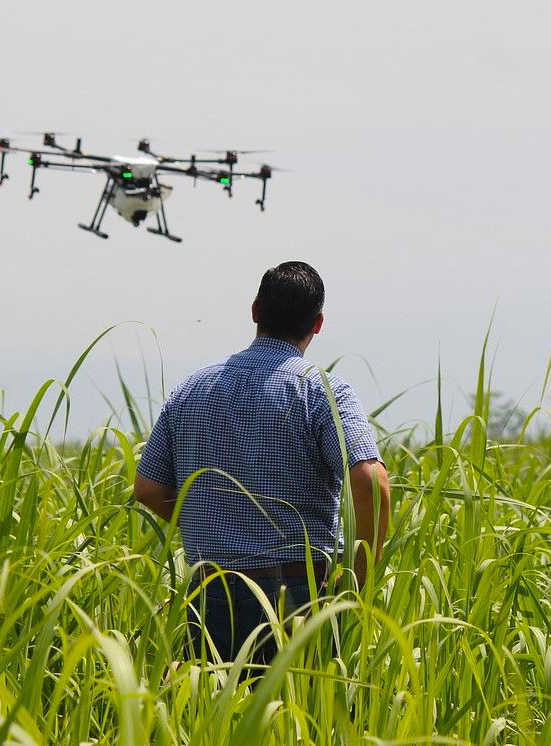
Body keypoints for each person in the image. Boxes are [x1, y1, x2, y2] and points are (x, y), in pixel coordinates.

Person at [133, 261, 391, 665]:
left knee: (211, 720)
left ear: (255, 311)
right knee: (297, 721)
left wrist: (212, 521)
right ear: (318, 323)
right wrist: (356, 577)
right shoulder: (322, 390)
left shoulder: (191, 389)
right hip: (297, 595)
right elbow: (371, 481)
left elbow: (147, 488)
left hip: (211, 590)